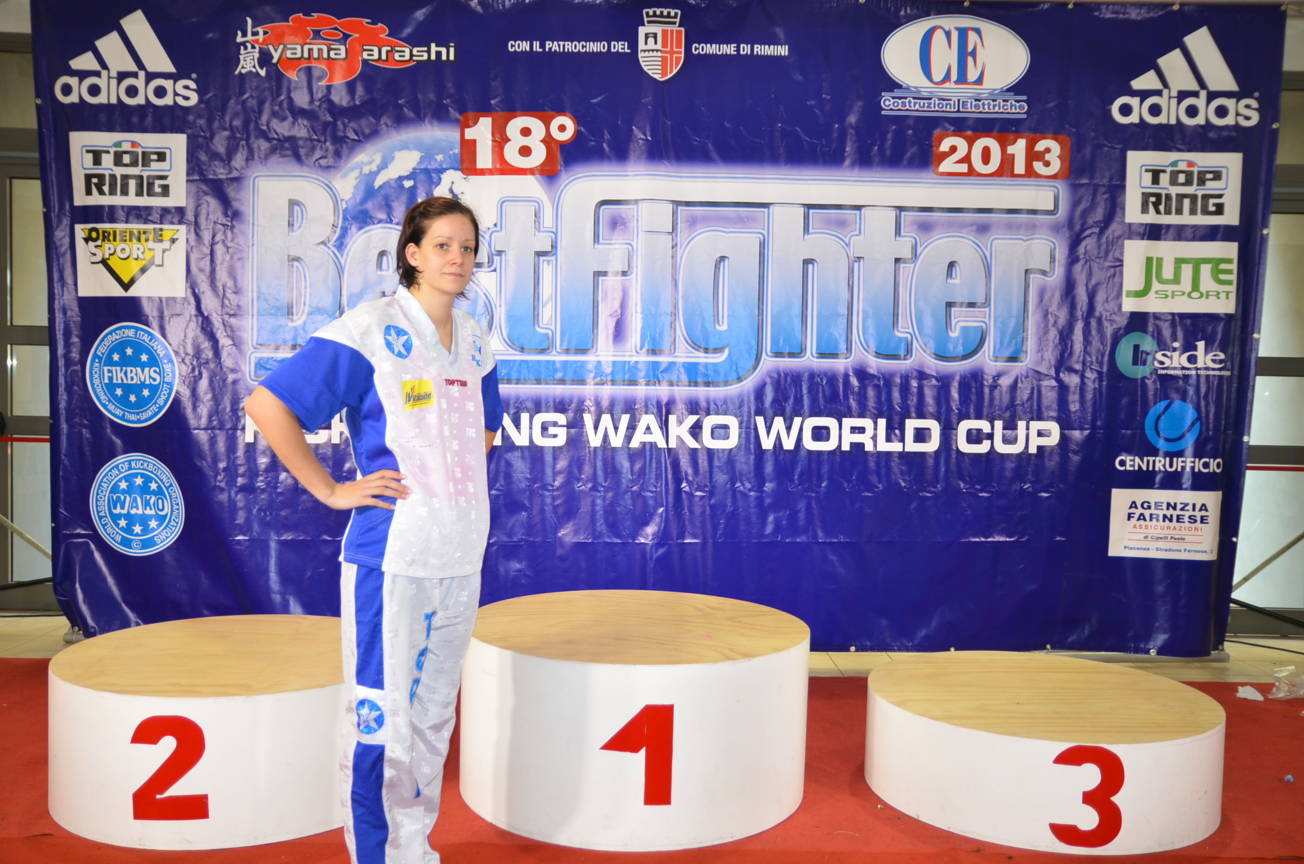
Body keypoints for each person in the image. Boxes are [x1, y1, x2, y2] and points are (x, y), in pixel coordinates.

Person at [244, 196, 503, 864]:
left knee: (433, 719)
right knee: (381, 721)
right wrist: (332, 490)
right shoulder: (369, 329)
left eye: (467, 248)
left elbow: (484, 432)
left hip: (460, 555)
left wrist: (449, 483)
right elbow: (267, 403)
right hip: (391, 558)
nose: (457, 258)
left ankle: (414, 850)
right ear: (412, 254)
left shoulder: (475, 339)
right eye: (442, 245)